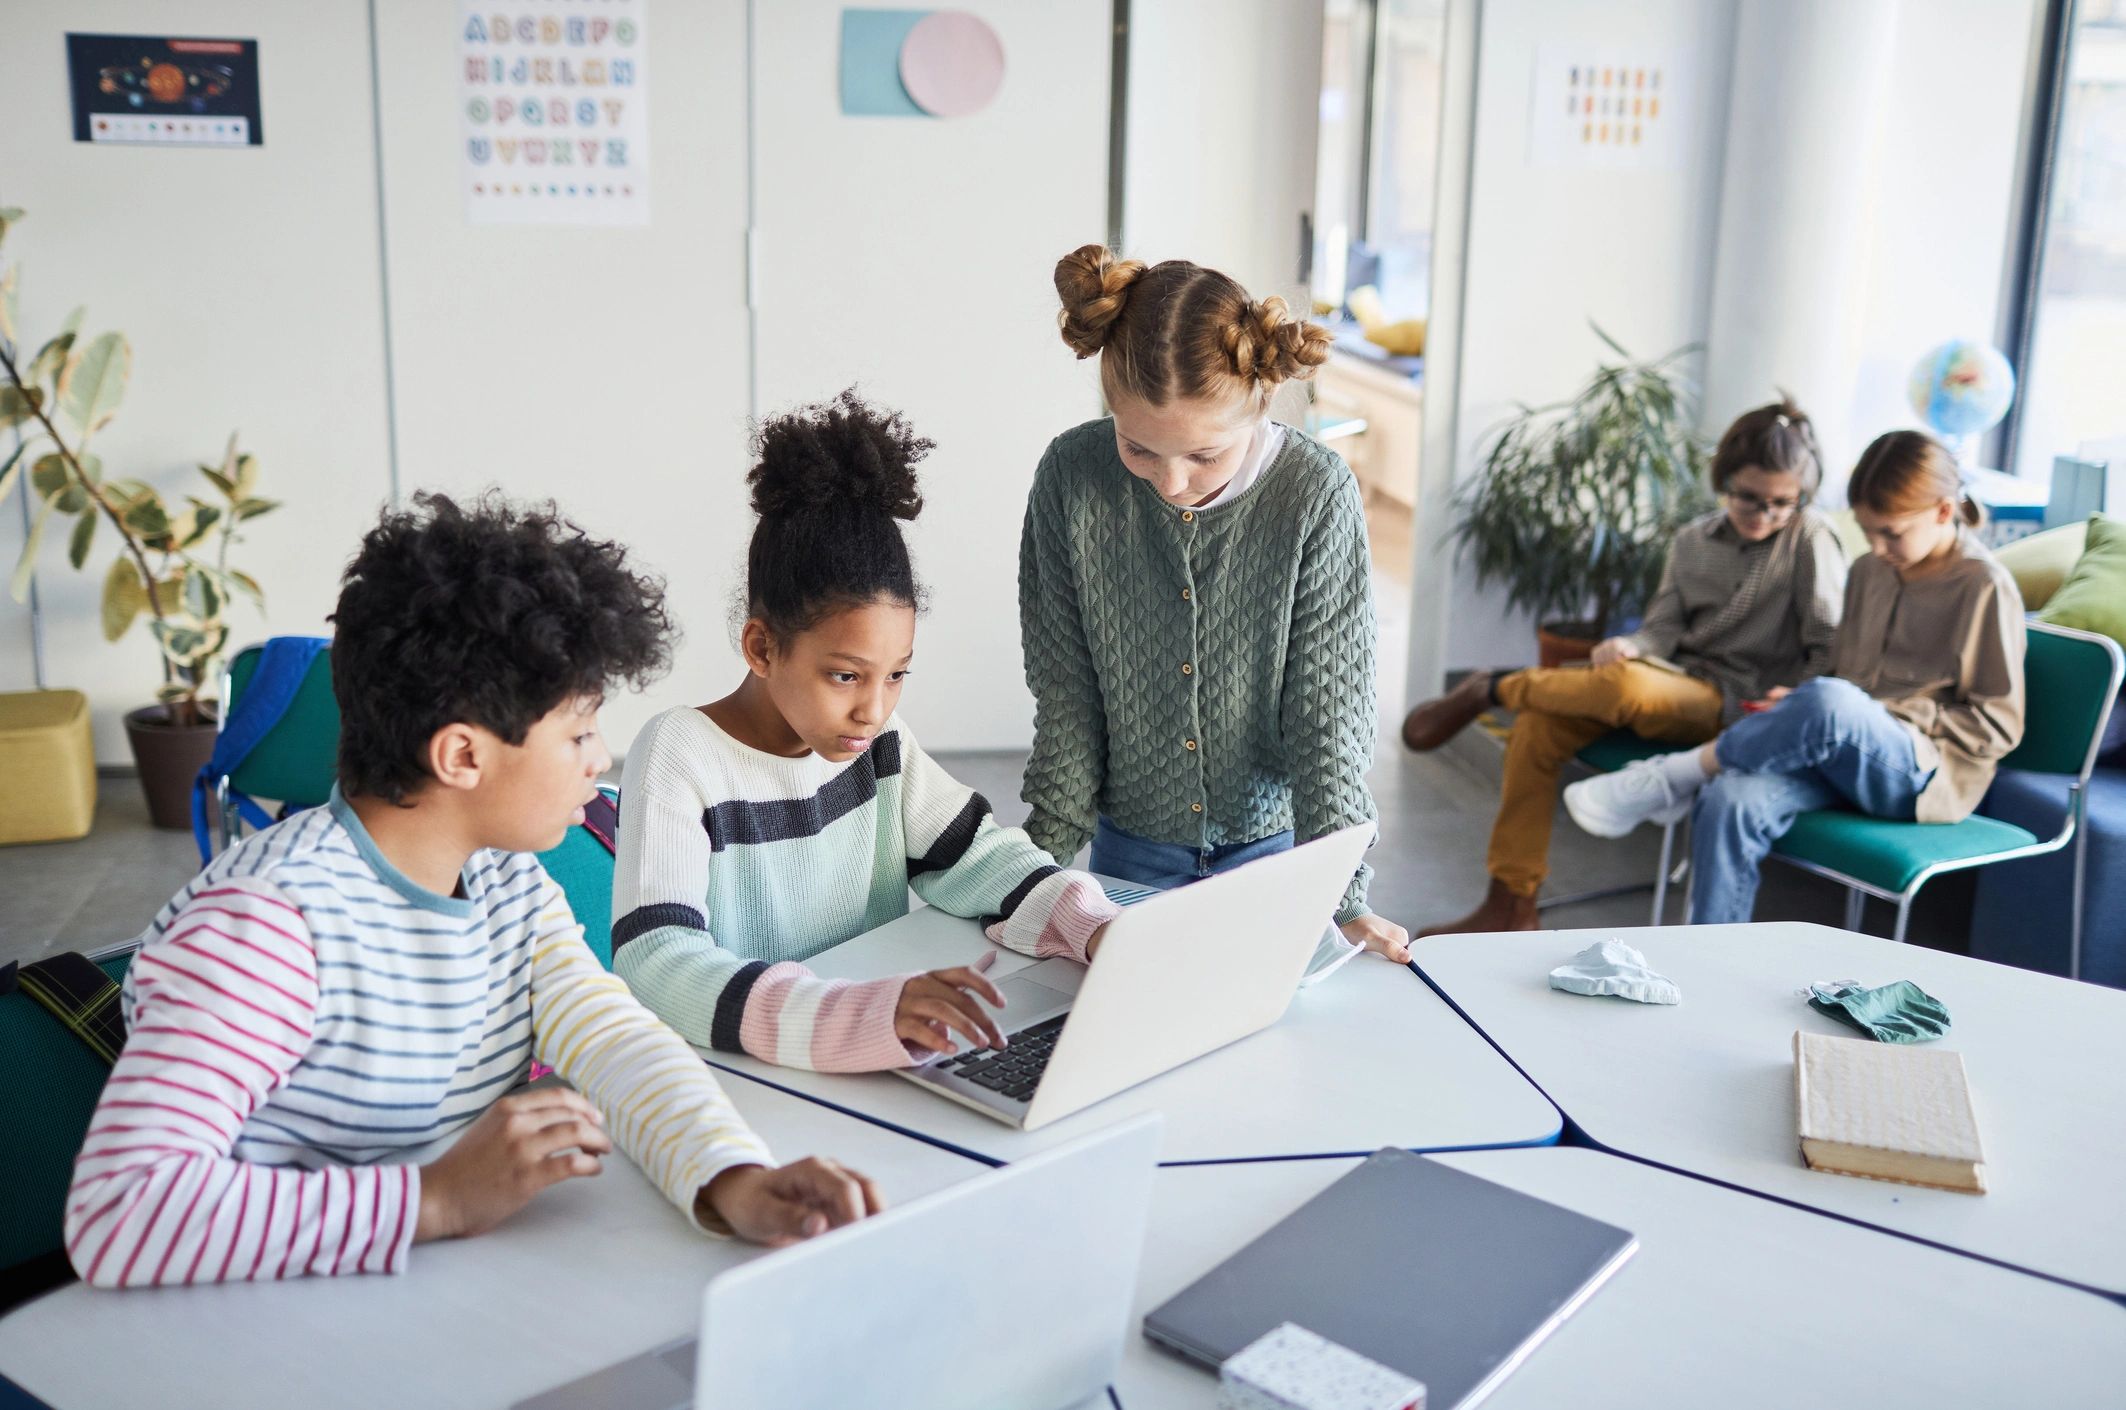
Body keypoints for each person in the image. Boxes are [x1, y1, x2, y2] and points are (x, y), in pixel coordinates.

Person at [66, 494, 881, 1290]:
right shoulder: (267, 929)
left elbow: (613, 1040)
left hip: (442, 1292)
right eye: (577, 732)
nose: (600, 759)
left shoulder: (505, 881)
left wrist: (729, 1177)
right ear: (462, 756)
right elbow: (117, 1212)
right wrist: (437, 1198)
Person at [612, 392, 1120, 1072]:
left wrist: (1091, 925)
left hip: (872, 1062)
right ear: (761, 649)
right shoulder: (680, 754)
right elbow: (657, 961)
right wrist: (852, 1015)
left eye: (897, 675)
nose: (873, 710)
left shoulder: (878, 745)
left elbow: (974, 855)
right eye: (846, 676)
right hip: (751, 1079)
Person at [1019, 244, 1408, 962]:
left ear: (1260, 407)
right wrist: (1032, 871)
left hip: (1276, 857)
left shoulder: (1315, 496)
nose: (1170, 483)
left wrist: (1345, 895)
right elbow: (1067, 692)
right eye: (1137, 448)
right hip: (1128, 855)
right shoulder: (1072, 479)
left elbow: (1328, 711)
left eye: (1203, 457)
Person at [1403, 399, 1847, 934]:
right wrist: (1632, 644)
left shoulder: (1810, 538)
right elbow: (1661, 628)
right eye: (1749, 498)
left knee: (1623, 686)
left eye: (1782, 502)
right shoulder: (1692, 541)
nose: (1766, 514)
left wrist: (1794, 699)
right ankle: (1511, 905)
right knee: (1541, 727)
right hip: (1673, 679)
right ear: (1723, 479)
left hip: (1740, 705)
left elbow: (1829, 645)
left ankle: (1491, 687)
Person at [1563, 430, 2026, 925]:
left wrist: (1853, 710)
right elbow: (1843, 677)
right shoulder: (1871, 569)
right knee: (1730, 798)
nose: (1876, 546)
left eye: (1890, 532)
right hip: (1843, 753)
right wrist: (1801, 705)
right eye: (1867, 532)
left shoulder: (1984, 586)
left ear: (1942, 510)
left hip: (1921, 773)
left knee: (1830, 702)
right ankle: (1707, 961)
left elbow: (1996, 725)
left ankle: (1675, 774)